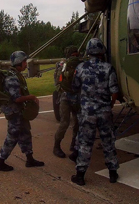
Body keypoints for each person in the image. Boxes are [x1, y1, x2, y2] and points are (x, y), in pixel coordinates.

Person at [70, 39, 120, 186]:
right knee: (108, 141)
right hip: (104, 111)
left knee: (85, 143)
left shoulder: (80, 68)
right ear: (101, 52)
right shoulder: (108, 68)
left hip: (87, 113)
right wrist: (108, 105)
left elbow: (74, 87)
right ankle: (113, 173)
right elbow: (115, 92)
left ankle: (80, 175)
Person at [0, 51, 44, 171]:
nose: (26, 64)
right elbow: (16, 98)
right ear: (19, 62)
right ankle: (0, 162)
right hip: (14, 112)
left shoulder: (17, 75)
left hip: (19, 111)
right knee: (12, 136)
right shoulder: (12, 78)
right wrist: (31, 97)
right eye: (24, 62)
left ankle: (30, 159)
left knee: (26, 132)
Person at [53, 46, 81, 158]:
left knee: (73, 122)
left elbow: (56, 81)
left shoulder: (62, 64)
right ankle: (60, 146)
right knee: (69, 122)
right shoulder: (79, 64)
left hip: (70, 96)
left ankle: (69, 145)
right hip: (70, 96)